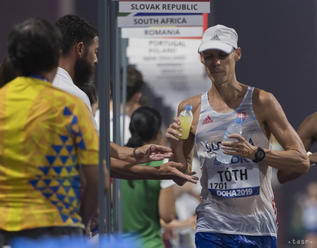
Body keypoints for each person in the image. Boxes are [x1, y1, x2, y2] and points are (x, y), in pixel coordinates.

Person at [166, 24, 310, 247]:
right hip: (212, 226)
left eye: (222, 55)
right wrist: (175, 145)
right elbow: (179, 174)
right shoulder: (190, 108)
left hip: (257, 227)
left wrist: (256, 154)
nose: (216, 63)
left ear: (237, 54)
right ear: (201, 59)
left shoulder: (262, 101)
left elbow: (301, 161)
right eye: (209, 56)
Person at [0, 17, 100, 246]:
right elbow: (96, 179)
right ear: (54, 55)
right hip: (59, 226)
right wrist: (81, 222)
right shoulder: (71, 105)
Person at [53, 14, 177, 168]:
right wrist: (153, 169)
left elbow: (97, 144)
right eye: (95, 52)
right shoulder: (74, 96)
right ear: (80, 49)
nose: (96, 60)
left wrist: (131, 154)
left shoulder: (42, 85)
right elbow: (93, 158)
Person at [121, 106, 176, 248]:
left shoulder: (117, 161)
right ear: (158, 133)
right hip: (150, 243)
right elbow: (167, 216)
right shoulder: (163, 165)